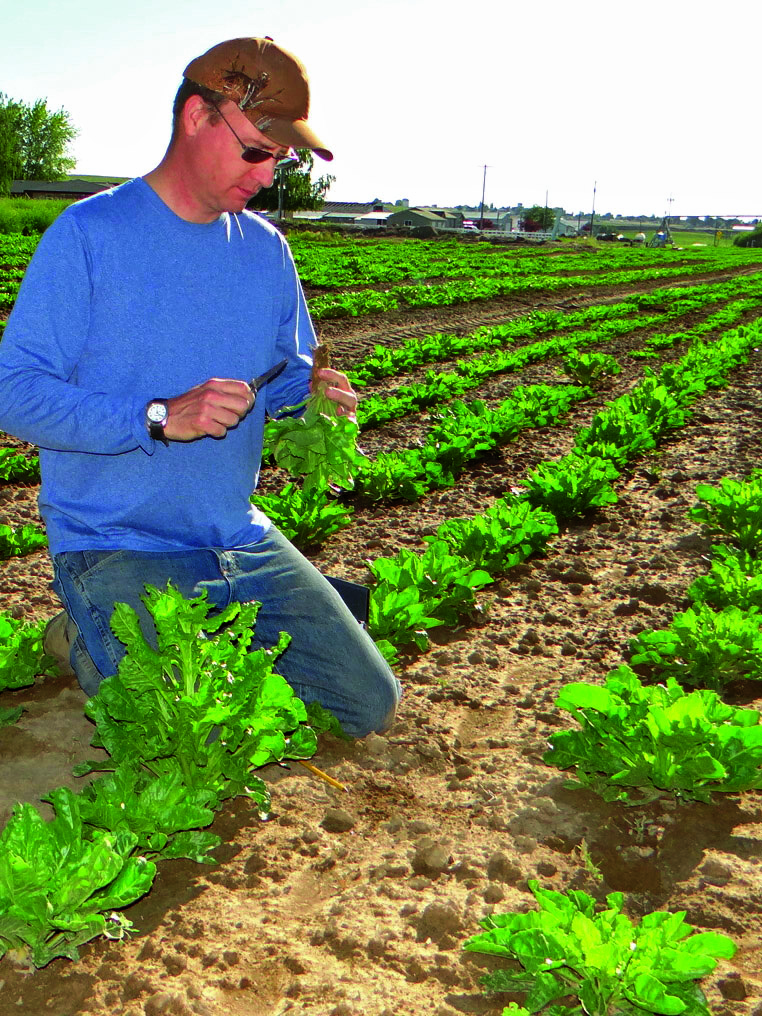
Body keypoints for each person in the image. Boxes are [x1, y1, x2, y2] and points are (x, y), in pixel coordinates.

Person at [0, 36, 401, 738]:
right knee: (176, 730)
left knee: (366, 706)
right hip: (116, 540)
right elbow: (15, 393)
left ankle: (207, 625)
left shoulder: (266, 250)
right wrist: (157, 416)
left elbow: (281, 378)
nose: (269, 174)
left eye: (283, 158)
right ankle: (80, 630)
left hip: (236, 536)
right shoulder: (89, 235)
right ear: (197, 117)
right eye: (256, 151)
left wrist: (312, 398)